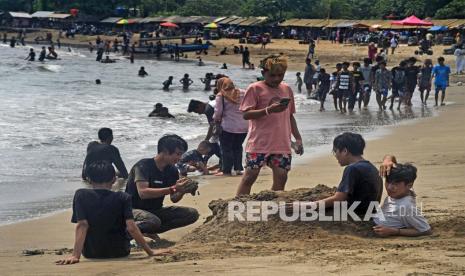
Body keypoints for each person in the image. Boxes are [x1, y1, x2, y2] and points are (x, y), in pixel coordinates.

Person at [56, 161, 170, 265]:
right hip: (120, 251)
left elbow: (82, 225)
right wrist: (150, 252)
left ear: (89, 180)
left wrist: (75, 255)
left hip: (91, 253)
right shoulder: (123, 197)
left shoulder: (81, 195)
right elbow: (131, 228)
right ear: (114, 179)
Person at [236, 54, 303, 195]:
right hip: (259, 142)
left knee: (281, 177)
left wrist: (298, 138)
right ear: (263, 73)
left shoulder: (286, 89)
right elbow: (246, 114)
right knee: (249, 177)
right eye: (272, 75)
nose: (277, 79)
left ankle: (273, 208)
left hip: (281, 143)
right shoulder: (255, 88)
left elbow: (290, 116)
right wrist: (268, 110)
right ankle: (239, 206)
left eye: (281, 75)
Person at [287, 133, 383, 217]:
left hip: (357, 213)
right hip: (370, 211)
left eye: (335, 151)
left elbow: (339, 198)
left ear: (345, 151)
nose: (335, 155)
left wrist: (307, 206)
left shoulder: (352, 169)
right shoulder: (371, 167)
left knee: (310, 210)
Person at [124, 134, 199, 238]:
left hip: (155, 210)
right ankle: (123, 234)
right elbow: (143, 193)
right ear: (165, 151)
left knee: (191, 214)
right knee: (152, 220)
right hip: (132, 210)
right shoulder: (143, 165)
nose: (179, 158)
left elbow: (174, 198)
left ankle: (148, 230)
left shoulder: (172, 170)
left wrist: (183, 190)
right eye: (177, 154)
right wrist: (173, 188)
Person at [373, 159, 432, 237]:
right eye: (388, 181)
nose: (389, 187)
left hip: (374, 231)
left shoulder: (406, 206)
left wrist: (395, 231)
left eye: (396, 183)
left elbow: (426, 230)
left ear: (409, 185)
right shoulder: (396, 195)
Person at [213, 77, 248, 176]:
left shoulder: (221, 95)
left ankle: (227, 170)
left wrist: (215, 120)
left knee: (226, 148)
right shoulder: (243, 92)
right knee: (237, 147)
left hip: (228, 126)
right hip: (244, 125)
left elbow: (218, 112)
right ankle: (238, 169)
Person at [187, 99, 222, 169]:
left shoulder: (208, 109)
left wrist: (206, 141)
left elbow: (213, 127)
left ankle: (224, 166)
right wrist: (207, 140)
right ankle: (223, 165)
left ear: (200, 105)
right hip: (234, 124)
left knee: (214, 144)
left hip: (226, 128)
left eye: (197, 111)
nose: (199, 114)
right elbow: (212, 126)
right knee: (214, 144)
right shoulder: (212, 103)